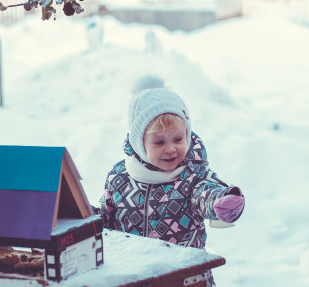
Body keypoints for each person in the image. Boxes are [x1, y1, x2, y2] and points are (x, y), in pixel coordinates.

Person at [99, 75, 245, 287]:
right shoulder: (120, 178)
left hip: (185, 278)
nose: (170, 148)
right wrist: (86, 218)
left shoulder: (192, 176)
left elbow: (206, 192)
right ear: (139, 143)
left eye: (178, 139)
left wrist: (221, 201)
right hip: (136, 278)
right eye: (159, 142)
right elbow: (107, 219)